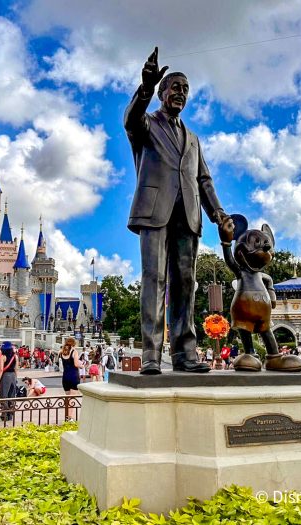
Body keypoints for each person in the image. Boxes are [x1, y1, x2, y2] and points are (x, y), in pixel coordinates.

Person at [125, 47, 231, 375]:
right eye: (175, 88)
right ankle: (151, 355)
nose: (180, 94)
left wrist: (220, 215)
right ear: (162, 93)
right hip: (154, 210)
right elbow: (129, 119)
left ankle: (185, 354)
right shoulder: (146, 124)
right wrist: (144, 88)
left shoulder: (193, 138)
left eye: (185, 89)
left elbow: (204, 179)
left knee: (186, 283)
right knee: (154, 279)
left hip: (189, 214)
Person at [59, 337, 81, 421]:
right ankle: (70, 418)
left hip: (65, 377)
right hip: (74, 376)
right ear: (74, 344)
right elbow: (76, 364)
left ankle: (66, 416)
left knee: (67, 398)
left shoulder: (61, 352)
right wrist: (82, 365)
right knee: (72, 399)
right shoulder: (74, 351)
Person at [0, 341, 18, 422]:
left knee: (4, 395)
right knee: (12, 394)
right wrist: (16, 377)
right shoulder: (15, 356)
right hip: (13, 375)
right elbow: (16, 368)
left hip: (6, 375)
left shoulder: (3, 356)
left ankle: (4, 414)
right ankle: (11, 413)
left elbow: (1, 369)